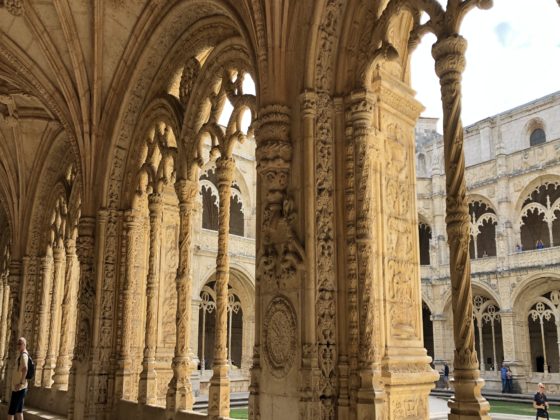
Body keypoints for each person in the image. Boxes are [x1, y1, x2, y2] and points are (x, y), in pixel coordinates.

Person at [8, 337, 29, 420]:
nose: (18, 345)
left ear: (24, 345)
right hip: (20, 388)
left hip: (19, 389)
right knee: (19, 411)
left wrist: (21, 383)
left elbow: (25, 369)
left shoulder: (24, 355)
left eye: (20, 344)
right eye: (18, 344)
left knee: (11, 412)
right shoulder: (22, 355)